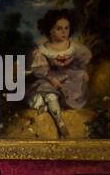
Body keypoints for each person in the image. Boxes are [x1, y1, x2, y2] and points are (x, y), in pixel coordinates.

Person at [28, 8, 91, 138]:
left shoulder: (75, 47)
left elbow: (82, 61)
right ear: (50, 30)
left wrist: (83, 71)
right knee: (48, 93)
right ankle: (60, 122)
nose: (64, 32)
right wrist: (51, 79)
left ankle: (48, 105)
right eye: (59, 28)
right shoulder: (42, 49)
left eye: (66, 28)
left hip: (69, 78)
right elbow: (42, 70)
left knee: (73, 87)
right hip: (49, 78)